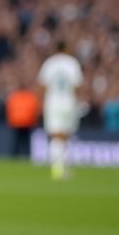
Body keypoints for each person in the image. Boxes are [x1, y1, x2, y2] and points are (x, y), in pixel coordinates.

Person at [37, 40, 83, 180]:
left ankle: (57, 167)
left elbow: (43, 85)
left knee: (56, 135)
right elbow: (77, 85)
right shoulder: (72, 63)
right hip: (68, 102)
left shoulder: (49, 63)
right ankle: (60, 168)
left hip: (52, 102)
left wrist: (41, 102)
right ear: (66, 47)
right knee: (64, 135)